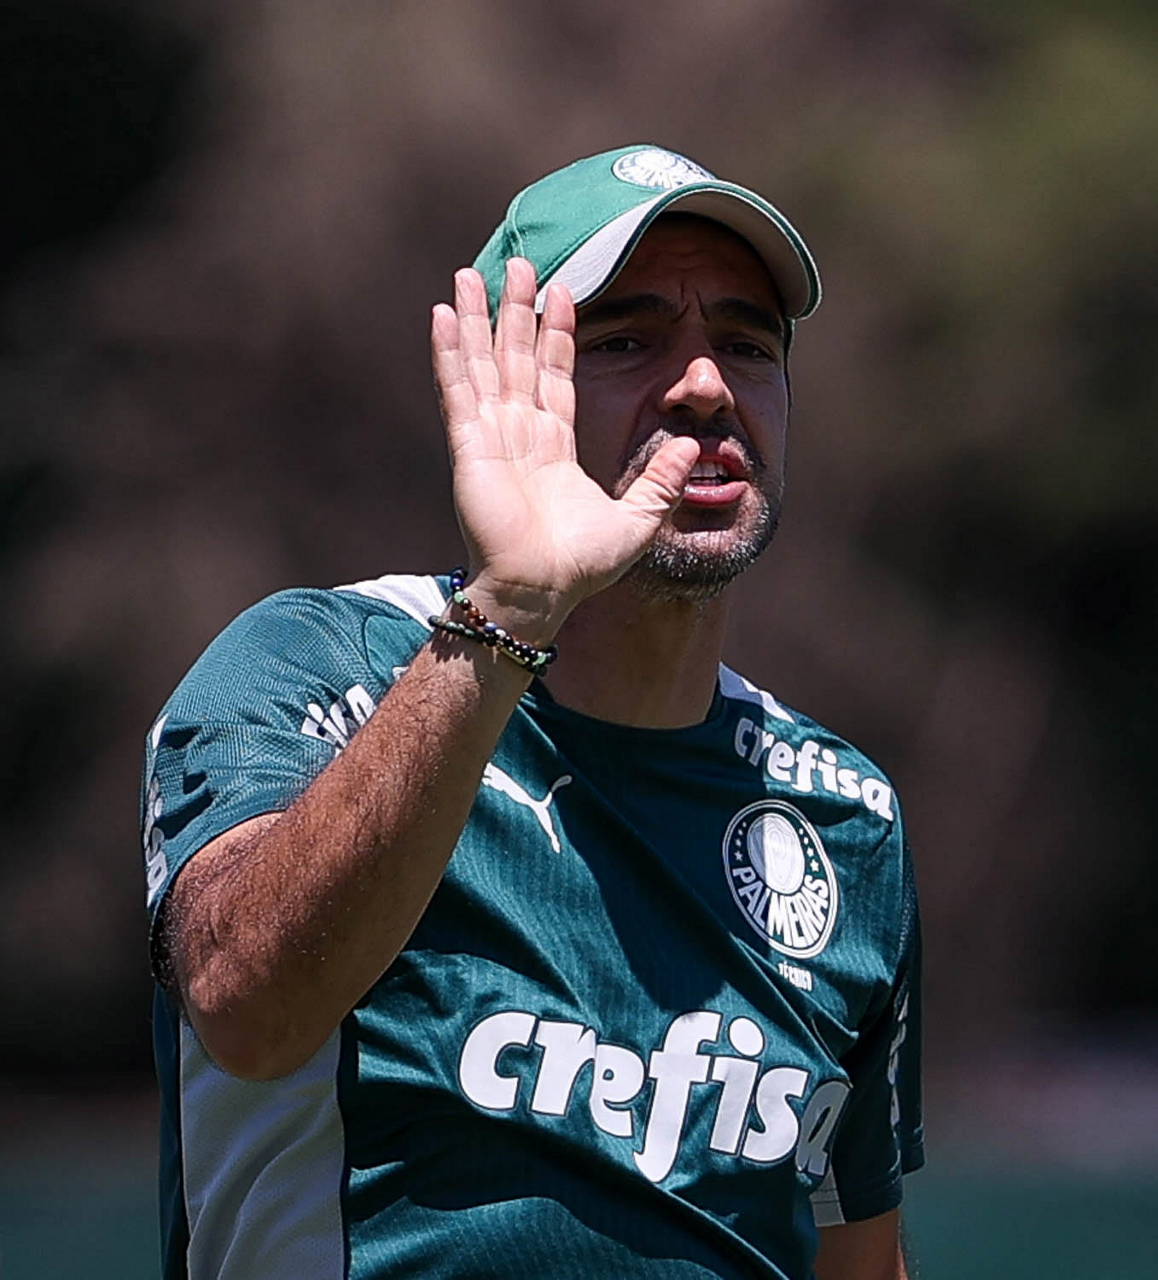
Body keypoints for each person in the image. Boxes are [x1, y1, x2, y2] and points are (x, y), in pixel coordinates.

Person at [142, 144, 923, 1280]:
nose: (706, 385)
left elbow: (858, 1259)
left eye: (748, 344)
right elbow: (241, 1005)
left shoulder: (845, 817)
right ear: (502, 381)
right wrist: (510, 609)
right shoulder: (313, 663)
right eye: (625, 341)